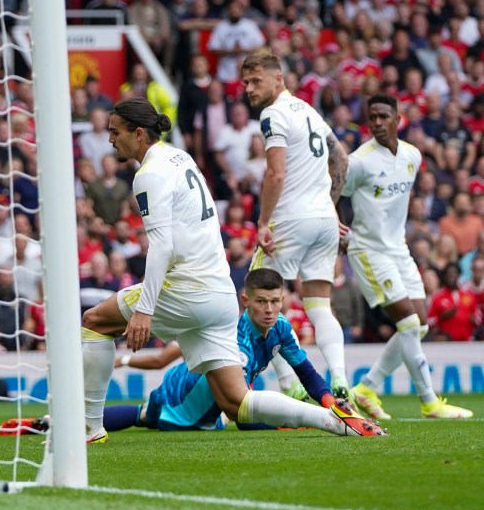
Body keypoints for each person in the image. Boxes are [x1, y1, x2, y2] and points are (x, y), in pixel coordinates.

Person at [79, 98, 384, 445]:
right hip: (220, 294)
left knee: (94, 322)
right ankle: (334, 421)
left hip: (186, 288)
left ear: (137, 133)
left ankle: (89, 430)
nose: (110, 140)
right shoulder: (180, 157)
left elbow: (162, 245)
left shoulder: (148, 174)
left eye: (115, 132)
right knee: (235, 402)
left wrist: (145, 310)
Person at [342, 95, 472, 420]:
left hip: (399, 249)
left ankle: (366, 388)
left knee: (420, 326)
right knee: (410, 323)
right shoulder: (359, 161)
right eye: (371, 117)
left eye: (384, 116)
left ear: (398, 119)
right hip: (369, 250)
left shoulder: (412, 156)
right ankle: (430, 402)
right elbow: (331, 191)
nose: (377, 122)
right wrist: (336, 227)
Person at [241, 49, 352, 399]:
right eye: (245, 82)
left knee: (259, 298)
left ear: (279, 79)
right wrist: (330, 209)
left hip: (290, 219)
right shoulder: (309, 111)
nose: (249, 88)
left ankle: (290, 386)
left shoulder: (273, 115)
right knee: (319, 304)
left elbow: (275, 173)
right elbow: (342, 160)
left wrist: (261, 222)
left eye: (256, 80)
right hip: (322, 219)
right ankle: (340, 378)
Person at [105, 269, 335, 433]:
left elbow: (307, 373)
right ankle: (79, 426)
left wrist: (331, 404)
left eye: (275, 302)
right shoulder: (239, 343)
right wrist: (288, 422)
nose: (269, 310)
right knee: (150, 417)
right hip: (183, 402)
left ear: (283, 300)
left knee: (143, 415)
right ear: (245, 300)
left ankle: (77, 425)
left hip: (185, 382)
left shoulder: (282, 327)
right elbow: (243, 415)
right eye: (261, 302)